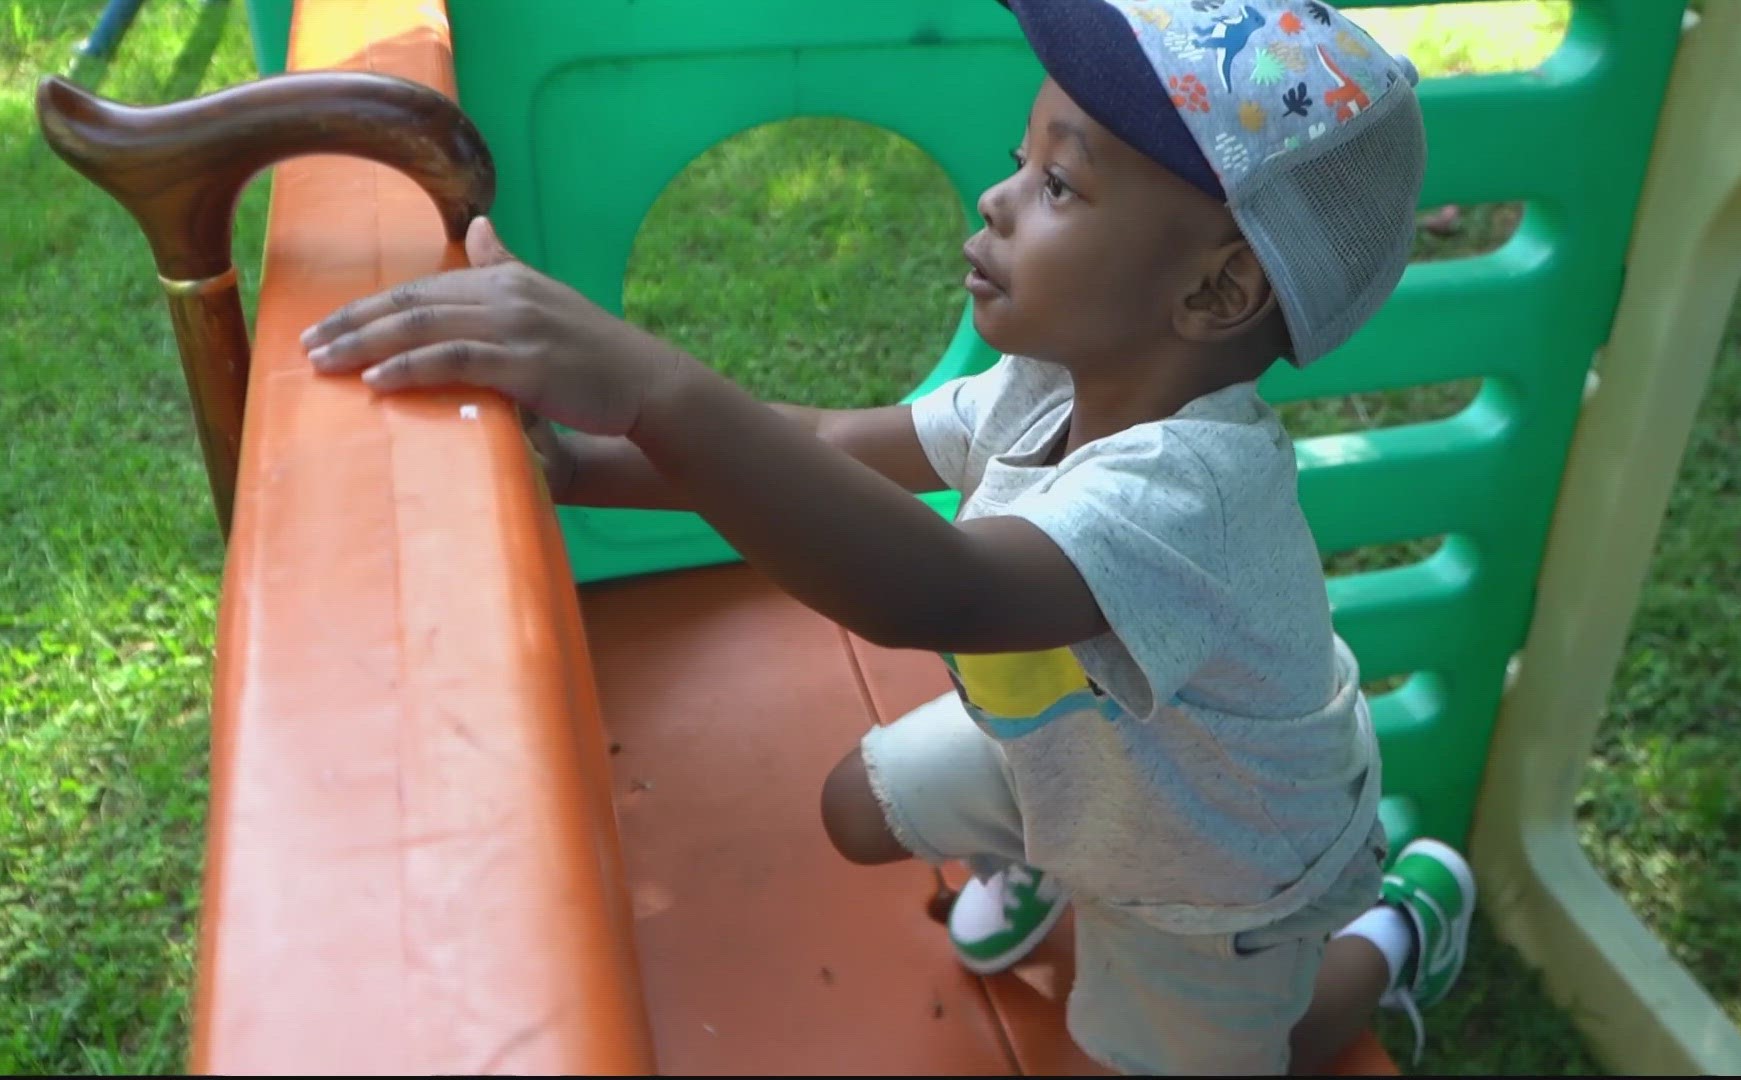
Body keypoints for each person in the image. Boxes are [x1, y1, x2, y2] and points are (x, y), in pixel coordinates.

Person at [300, 1, 1477, 1071]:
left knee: (1218, 1050)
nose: (998, 196)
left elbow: (942, 593)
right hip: (1093, 758)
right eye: (1023, 161)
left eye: (1060, 186)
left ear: (1216, 295)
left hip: (1217, 874)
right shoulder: (1047, 384)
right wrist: (586, 462)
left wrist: (652, 386)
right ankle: (1053, 859)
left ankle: (1393, 935)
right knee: (856, 810)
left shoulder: (1192, 497)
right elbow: (828, 442)